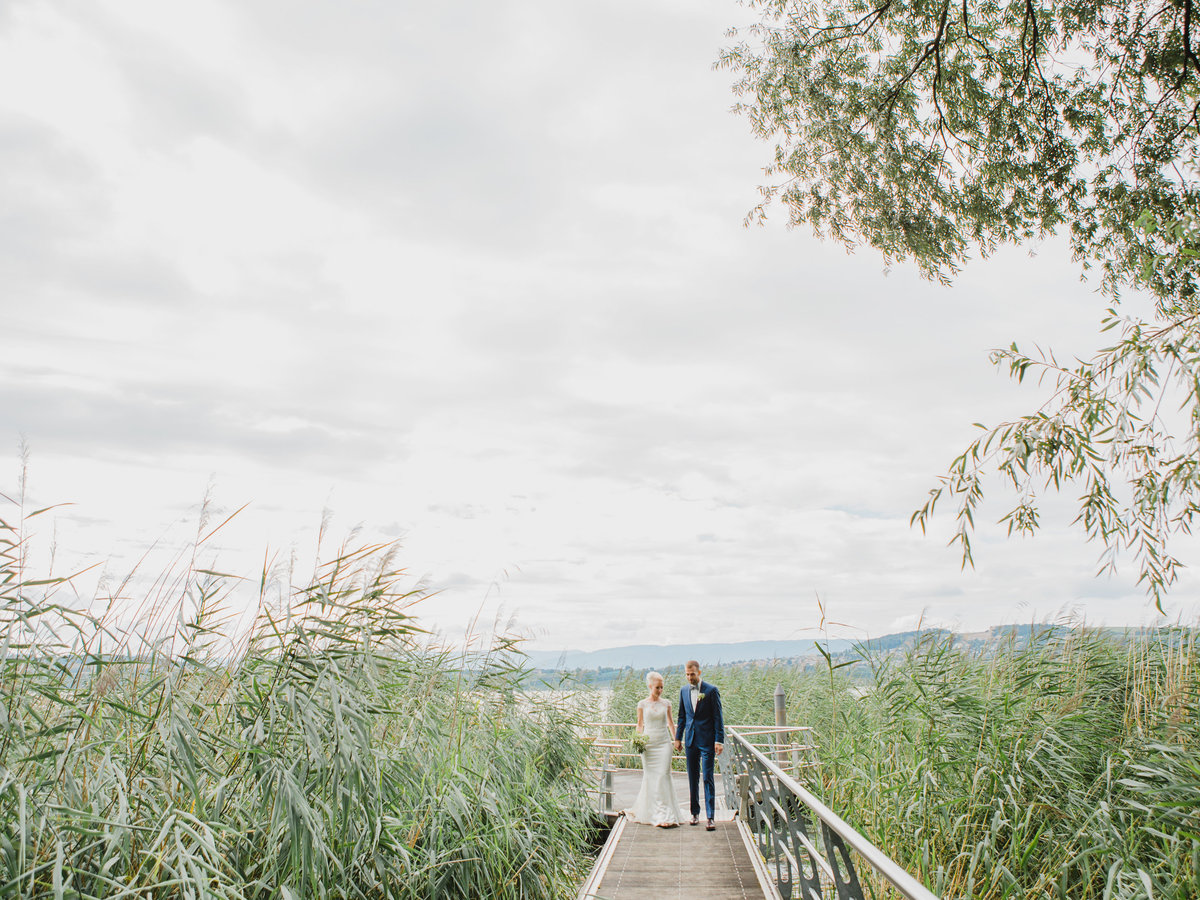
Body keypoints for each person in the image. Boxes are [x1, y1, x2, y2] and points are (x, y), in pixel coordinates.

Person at [623, 671, 681, 827]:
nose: (660, 690)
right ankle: (653, 813)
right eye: (657, 687)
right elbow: (640, 724)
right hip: (649, 746)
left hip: (663, 744)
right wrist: (637, 739)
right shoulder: (642, 704)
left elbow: (670, 723)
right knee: (651, 778)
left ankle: (665, 814)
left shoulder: (666, 703)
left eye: (662, 687)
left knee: (663, 776)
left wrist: (676, 739)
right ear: (650, 686)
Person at [674, 659, 724, 831]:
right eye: (687, 675)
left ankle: (710, 817)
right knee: (692, 778)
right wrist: (678, 738)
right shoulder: (683, 691)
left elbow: (718, 717)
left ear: (699, 673)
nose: (689, 678)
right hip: (690, 741)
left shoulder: (711, 691)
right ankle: (694, 813)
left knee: (707, 777)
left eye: (692, 674)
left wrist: (719, 740)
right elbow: (682, 716)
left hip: (707, 741)